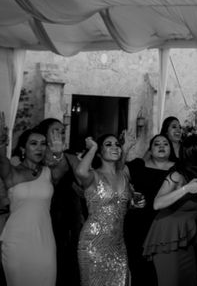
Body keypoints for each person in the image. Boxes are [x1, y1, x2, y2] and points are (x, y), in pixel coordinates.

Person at [143, 134, 197, 286]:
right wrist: (186, 189)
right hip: (168, 237)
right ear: (195, 153)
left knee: (189, 281)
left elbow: (191, 201)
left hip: (185, 239)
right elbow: (157, 203)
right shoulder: (177, 175)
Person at [0, 126, 65, 286]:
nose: (39, 148)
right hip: (16, 241)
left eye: (43, 144)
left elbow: (63, 168)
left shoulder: (49, 173)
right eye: (33, 143)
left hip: (45, 241)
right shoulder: (12, 172)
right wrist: (1, 141)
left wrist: (58, 153)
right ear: (23, 148)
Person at [76, 134, 142, 286]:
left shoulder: (124, 175)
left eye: (117, 144)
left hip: (118, 244)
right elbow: (80, 172)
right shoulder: (94, 176)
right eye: (108, 144)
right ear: (100, 152)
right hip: (93, 243)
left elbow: (120, 204)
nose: (115, 147)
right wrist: (92, 148)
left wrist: (134, 203)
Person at [34, 118, 85, 286]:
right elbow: (53, 179)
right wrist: (57, 155)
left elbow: (85, 185)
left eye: (62, 131)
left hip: (70, 215)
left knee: (69, 261)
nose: (60, 134)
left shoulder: (71, 157)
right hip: (46, 215)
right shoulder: (37, 157)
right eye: (55, 131)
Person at [125, 133, 175, 286]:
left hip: (165, 224)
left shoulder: (179, 168)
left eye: (165, 143)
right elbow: (117, 177)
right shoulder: (138, 165)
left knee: (162, 272)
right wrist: (130, 195)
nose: (161, 146)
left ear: (171, 149)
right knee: (139, 270)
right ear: (150, 150)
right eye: (156, 144)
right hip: (137, 224)